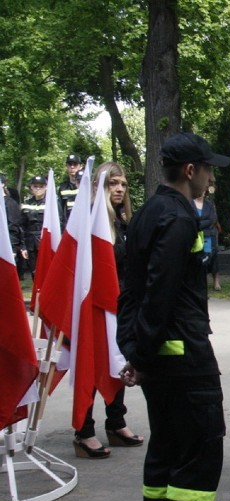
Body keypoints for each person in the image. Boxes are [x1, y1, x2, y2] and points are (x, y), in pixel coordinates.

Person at [118, 132, 230, 501]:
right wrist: (141, 355)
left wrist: (133, 349)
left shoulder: (148, 212)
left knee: (166, 445)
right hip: (183, 359)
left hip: (159, 357)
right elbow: (160, 293)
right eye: (207, 169)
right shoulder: (179, 217)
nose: (209, 177)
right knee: (201, 446)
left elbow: (131, 290)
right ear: (190, 171)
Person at [73, 162, 144, 459]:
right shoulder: (88, 222)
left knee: (119, 363)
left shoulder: (124, 223)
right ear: (99, 187)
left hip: (122, 306)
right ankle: (84, 431)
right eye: (112, 183)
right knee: (93, 364)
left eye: (123, 184)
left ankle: (116, 423)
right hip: (95, 307)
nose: (119, 189)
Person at [21, 175, 66, 280]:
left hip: (46, 240)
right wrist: (22, 246)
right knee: (34, 271)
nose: (38, 188)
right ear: (31, 187)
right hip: (30, 242)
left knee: (47, 271)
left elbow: (60, 223)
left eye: (41, 186)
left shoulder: (52, 203)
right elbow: (22, 226)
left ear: (46, 187)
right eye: (35, 186)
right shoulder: (26, 204)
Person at [195, 187, 221, 291]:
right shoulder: (189, 204)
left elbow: (212, 219)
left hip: (208, 235)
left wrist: (199, 224)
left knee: (210, 257)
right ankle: (202, 281)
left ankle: (216, 281)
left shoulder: (209, 205)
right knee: (199, 258)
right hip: (195, 235)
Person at [58, 153, 83, 218]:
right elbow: (60, 209)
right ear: (66, 166)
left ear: (81, 166)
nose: (72, 167)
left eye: (75, 164)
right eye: (70, 164)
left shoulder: (87, 186)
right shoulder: (62, 188)